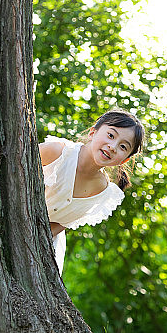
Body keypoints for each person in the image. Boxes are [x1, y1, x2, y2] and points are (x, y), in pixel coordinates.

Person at [39, 109, 145, 272]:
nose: (113, 147)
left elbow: (61, 224)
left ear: (124, 160)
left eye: (123, 146)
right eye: (111, 135)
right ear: (92, 132)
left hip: (42, 244)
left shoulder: (101, 191)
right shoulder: (57, 153)